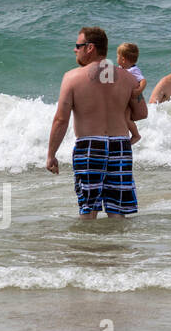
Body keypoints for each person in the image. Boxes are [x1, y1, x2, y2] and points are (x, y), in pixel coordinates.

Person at [46, 26, 148, 219]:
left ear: (90, 47)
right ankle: (117, 248)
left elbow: (61, 119)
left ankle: (87, 248)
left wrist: (51, 154)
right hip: (120, 146)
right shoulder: (127, 77)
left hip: (90, 147)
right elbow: (141, 113)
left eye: (78, 45)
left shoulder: (72, 77)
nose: (75, 49)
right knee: (118, 212)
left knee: (88, 210)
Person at [116, 43, 146, 145]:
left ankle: (136, 135)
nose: (117, 58)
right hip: (123, 99)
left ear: (123, 59)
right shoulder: (121, 68)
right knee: (122, 118)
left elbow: (143, 81)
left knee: (126, 118)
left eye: (117, 56)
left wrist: (139, 90)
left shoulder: (133, 70)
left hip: (130, 100)